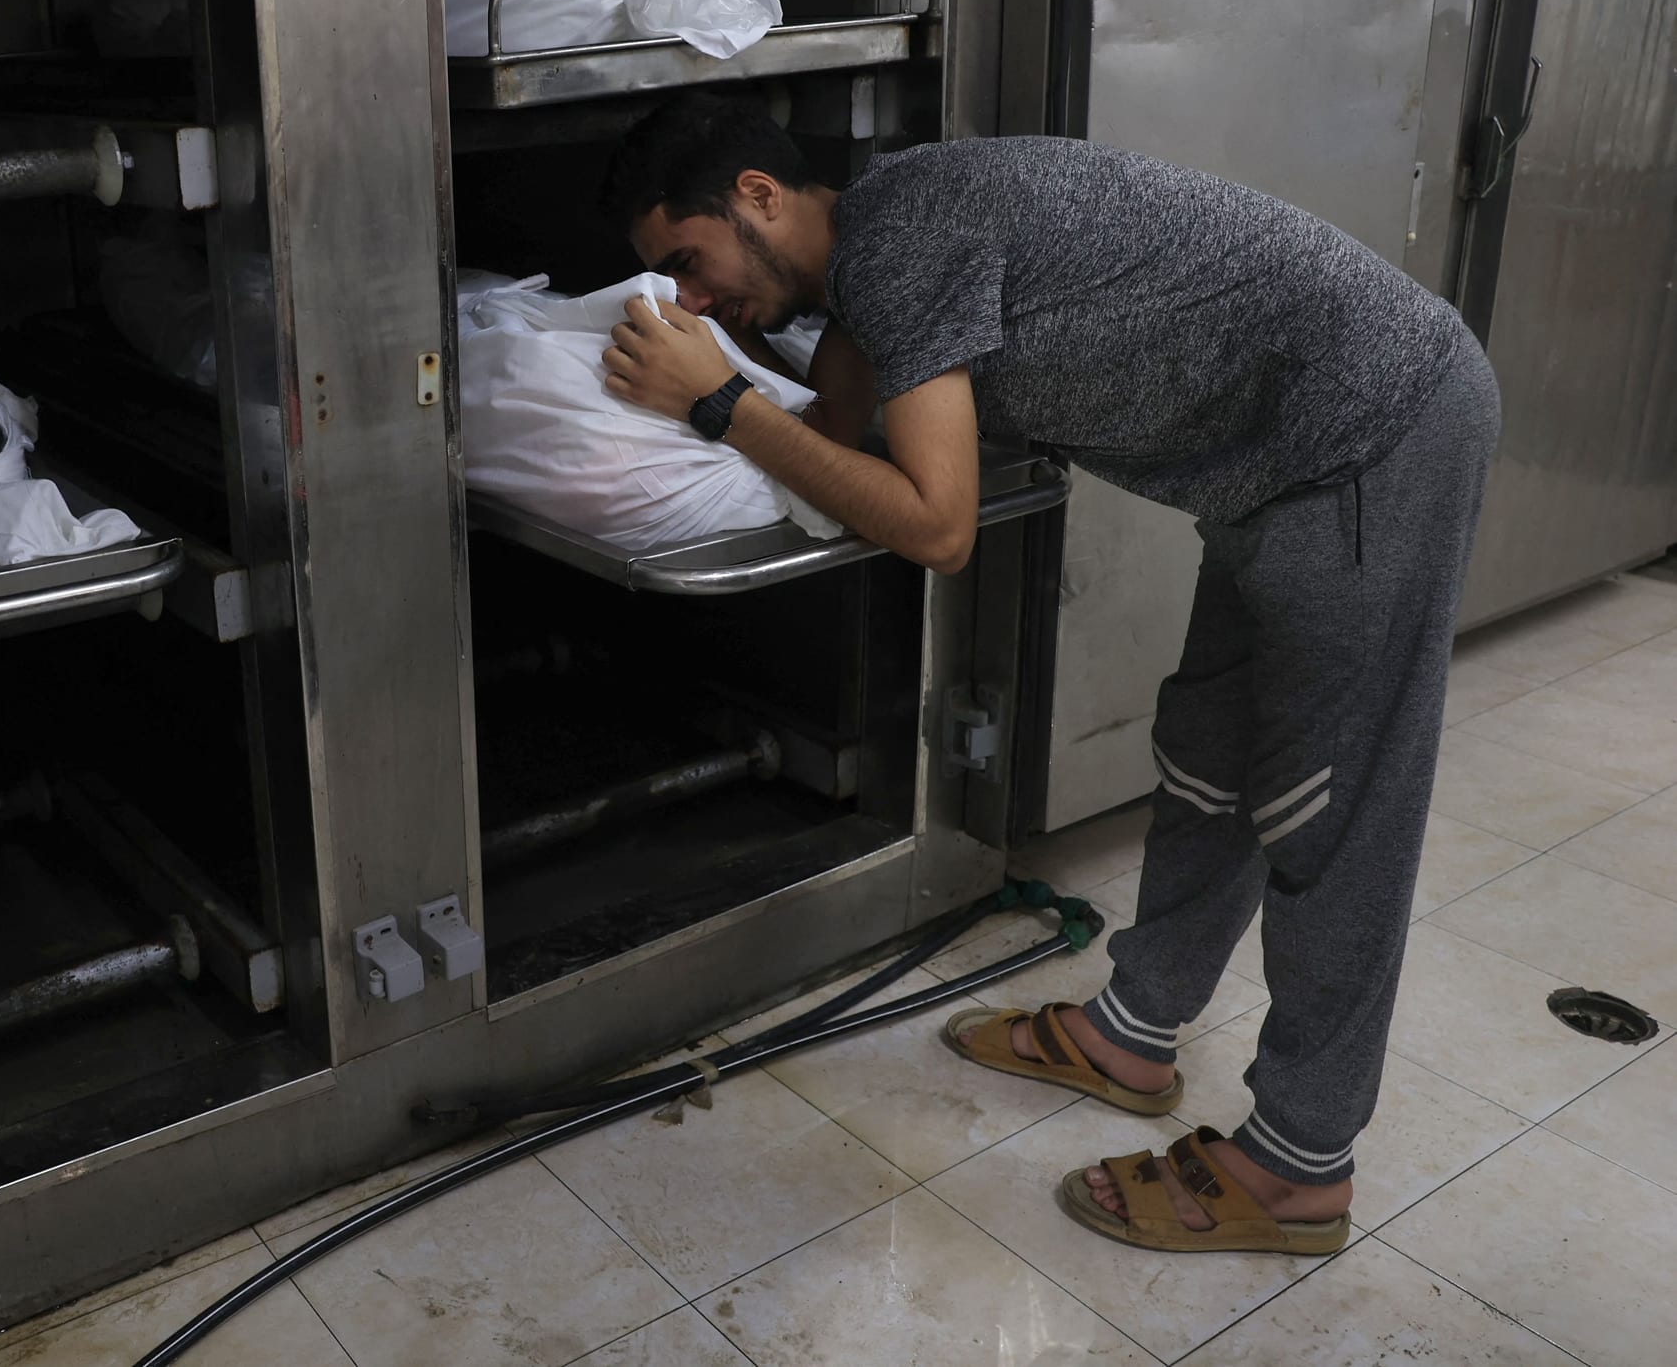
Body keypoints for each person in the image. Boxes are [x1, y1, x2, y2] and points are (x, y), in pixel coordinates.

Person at [595, 93, 1499, 1257]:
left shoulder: (901, 243)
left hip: (1377, 431)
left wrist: (716, 402)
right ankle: (1134, 1031)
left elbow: (935, 524)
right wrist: (722, 381)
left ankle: (1297, 1169)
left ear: (759, 197)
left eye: (690, 263)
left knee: (1332, 809)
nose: (692, 298)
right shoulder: (879, 242)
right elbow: (840, 426)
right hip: (1272, 467)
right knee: (1209, 757)